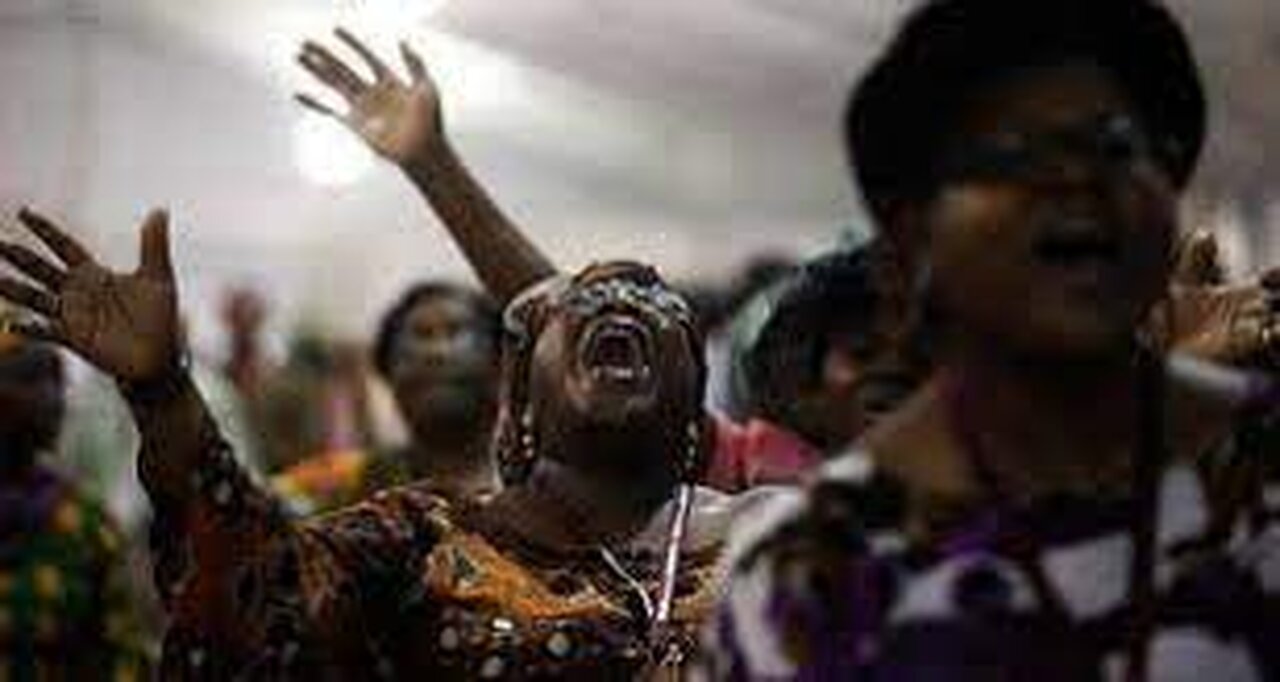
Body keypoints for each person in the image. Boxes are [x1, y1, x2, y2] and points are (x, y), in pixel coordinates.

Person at [708, 1, 1280, 680]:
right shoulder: (812, 577)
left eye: (1118, 144)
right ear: (911, 237)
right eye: (1012, 155)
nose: (1078, 180)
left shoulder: (1262, 468)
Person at [0, 316, 147, 679]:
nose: (54, 398)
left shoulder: (84, 527)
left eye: (58, 381)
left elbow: (122, 660)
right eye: (30, 378)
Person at [273, 281, 502, 513]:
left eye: (455, 332)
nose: (437, 352)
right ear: (388, 374)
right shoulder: (338, 483)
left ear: (501, 366)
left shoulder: (532, 488)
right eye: (421, 335)